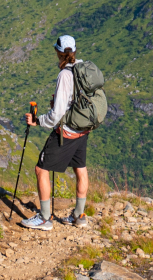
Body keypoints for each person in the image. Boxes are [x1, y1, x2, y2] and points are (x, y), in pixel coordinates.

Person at [23, 35, 93, 230]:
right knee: (80, 168)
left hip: (67, 131)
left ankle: (45, 218)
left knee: (41, 169)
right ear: (75, 51)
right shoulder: (83, 68)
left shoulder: (65, 75)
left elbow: (57, 114)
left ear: (58, 53)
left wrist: (38, 120)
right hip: (83, 128)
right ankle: (79, 215)